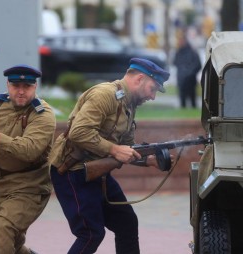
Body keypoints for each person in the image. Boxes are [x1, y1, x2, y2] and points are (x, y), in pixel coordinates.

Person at [49, 58, 173, 254]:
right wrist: (114, 150)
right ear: (140, 79)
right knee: (90, 233)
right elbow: (78, 132)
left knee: (127, 223)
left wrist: (148, 160)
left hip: (97, 172)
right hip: (72, 170)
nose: (153, 96)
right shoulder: (105, 95)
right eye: (153, 88)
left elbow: (126, 148)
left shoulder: (129, 104)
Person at [0, 64, 56, 254]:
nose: (20, 92)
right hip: (1, 183)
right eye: (15, 86)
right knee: (2, 239)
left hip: (30, 186)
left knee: (3, 230)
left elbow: (30, 150)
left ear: (35, 87)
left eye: (26, 87)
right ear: (7, 85)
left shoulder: (43, 114)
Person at [173, 33, 202, 108]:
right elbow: (175, 63)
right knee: (182, 101)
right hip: (181, 80)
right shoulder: (178, 52)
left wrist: (189, 72)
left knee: (193, 100)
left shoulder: (192, 52)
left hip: (190, 80)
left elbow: (197, 65)